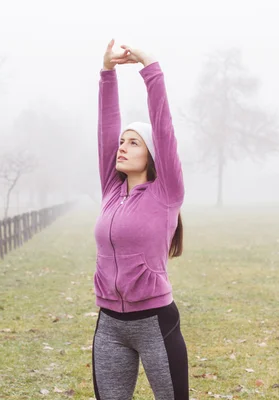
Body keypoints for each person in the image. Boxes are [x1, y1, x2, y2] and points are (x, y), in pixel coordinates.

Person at [92, 39, 188, 400]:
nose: (121, 146)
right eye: (122, 142)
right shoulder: (111, 190)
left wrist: (150, 68)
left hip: (154, 323)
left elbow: (164, 128)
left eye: (133, 143)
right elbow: (106, 128)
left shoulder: (167, 194)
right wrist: (107, 72)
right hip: (109, 325)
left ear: (151, 154)